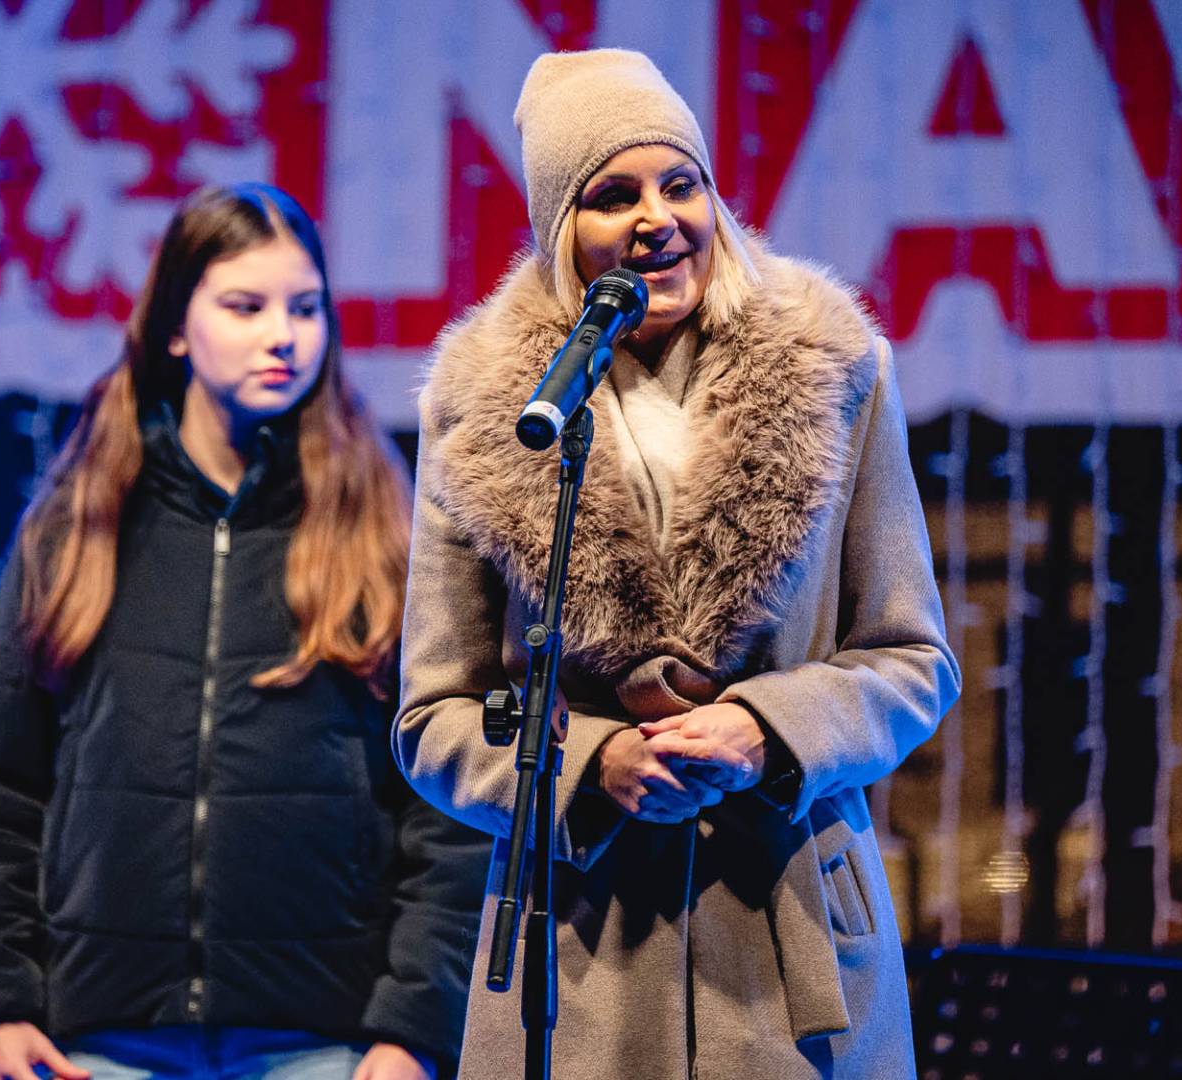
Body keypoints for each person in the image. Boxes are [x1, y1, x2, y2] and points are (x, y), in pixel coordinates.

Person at [394, 50, 961, 1079]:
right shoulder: (485, 408)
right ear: (561, 230)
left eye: (681, 184)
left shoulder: (837, 367)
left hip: (793, 943)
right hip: (581, 953)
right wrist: (592, 765)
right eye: (614, 196)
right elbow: (434, 719)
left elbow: (914, 663)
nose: (657, 219)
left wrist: (767, 729)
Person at [0, 183, 486, 1080]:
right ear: (176, 328)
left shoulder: (382, 530)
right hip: (99, 1040)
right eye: (245, 306)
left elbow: (447, 803)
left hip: (327, 1044)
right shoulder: (80, 525)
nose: (284, 335)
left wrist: (416, 1027)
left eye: (305, 308)